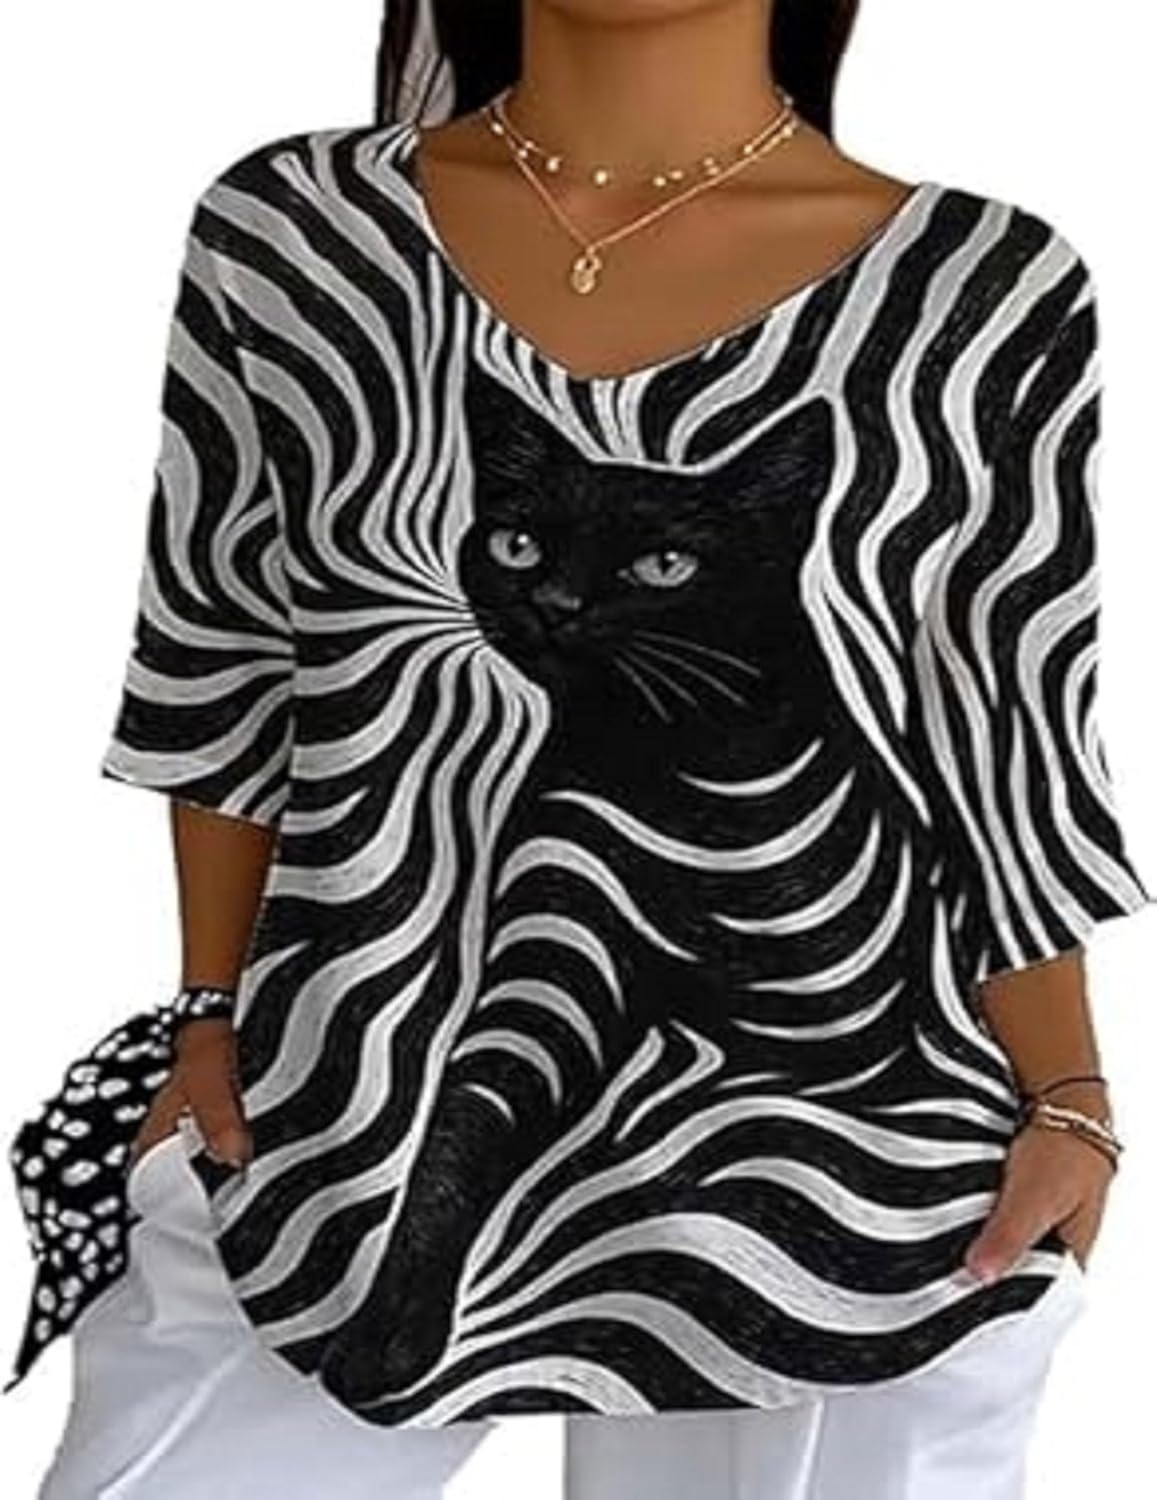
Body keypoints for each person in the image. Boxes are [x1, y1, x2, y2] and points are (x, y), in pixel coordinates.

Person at [9, 1, 1153, 1496]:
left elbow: (1001, 728)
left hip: (843, 1163)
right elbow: (221, 664)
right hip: (350, 1107)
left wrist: (1069, 1100)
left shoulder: (981, 290)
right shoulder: (295, 233)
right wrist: (208, 1011)